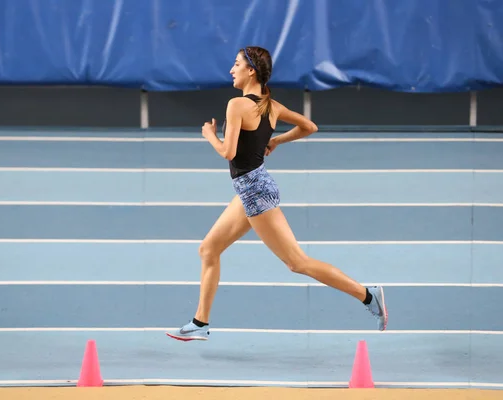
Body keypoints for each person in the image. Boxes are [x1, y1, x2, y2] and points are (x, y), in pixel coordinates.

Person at [166, 46, 387, 341]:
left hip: (255, 193)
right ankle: (200, 323)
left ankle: (368, 296)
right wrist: (277, 141)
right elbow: (309, 126)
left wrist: (209, 136)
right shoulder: (271, 105)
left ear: (251, 71)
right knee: (208, 249)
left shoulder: (237, 105)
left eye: (235, 64)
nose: (231, 70)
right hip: (251, 189)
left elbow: (227, 152)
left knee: (297, 262)